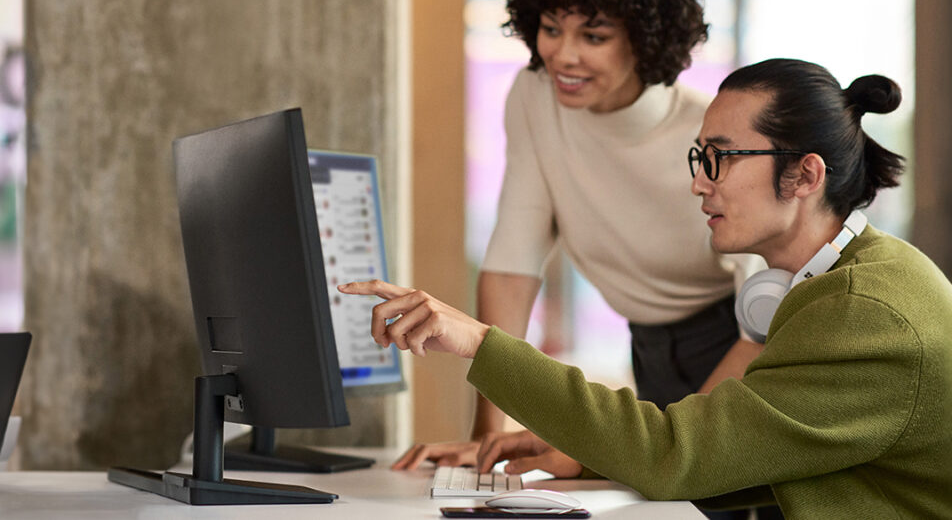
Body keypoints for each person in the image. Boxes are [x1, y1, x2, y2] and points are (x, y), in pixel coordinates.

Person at [341, 59, 952, 518]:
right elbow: (740, 455)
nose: (699, 184)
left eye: (721, 159)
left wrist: (479, 341)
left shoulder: (862, 313)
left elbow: (674, 455)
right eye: (698, 159)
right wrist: (584, 453)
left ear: (804, 174)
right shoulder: (839, 285)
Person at [399, 0, 763, 474]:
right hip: (648, 350)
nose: (563, 56)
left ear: (644, 38)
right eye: (550, 28)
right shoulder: (533, 96)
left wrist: (640, 450)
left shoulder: (709, 132)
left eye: (594, 36)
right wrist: (485, 438)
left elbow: (763, 321)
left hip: (745, 345)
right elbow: (512, 264)